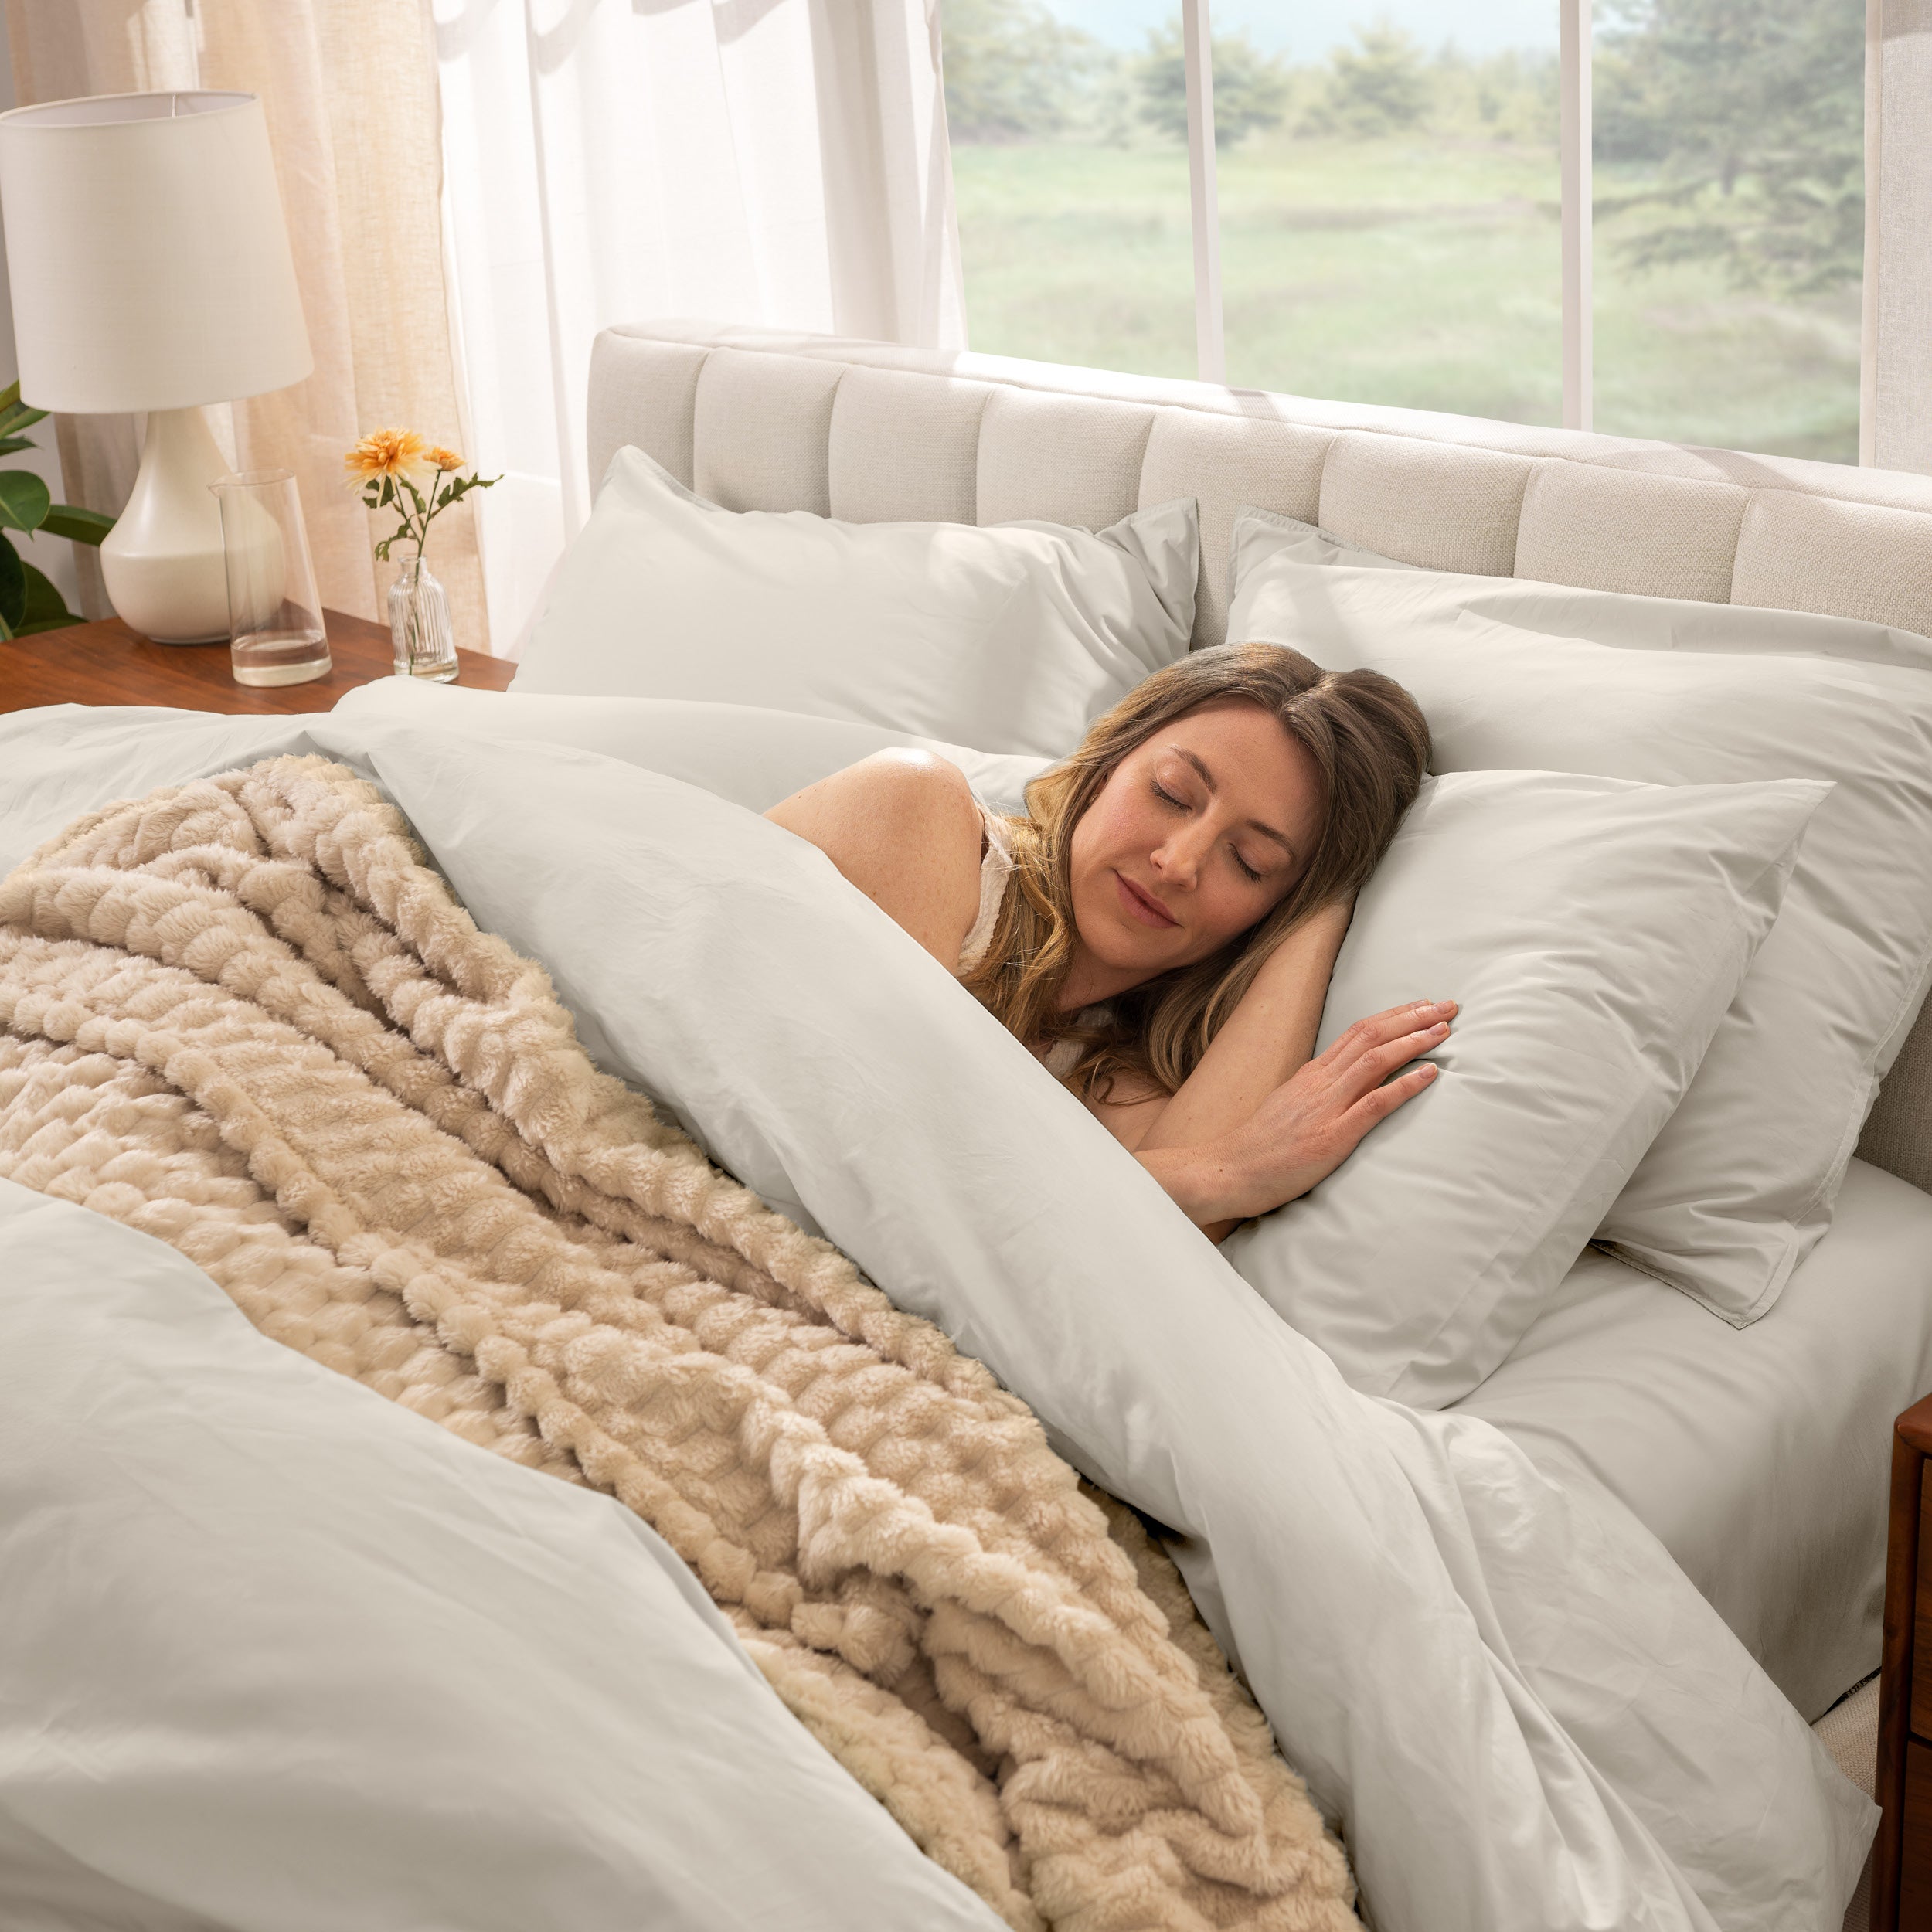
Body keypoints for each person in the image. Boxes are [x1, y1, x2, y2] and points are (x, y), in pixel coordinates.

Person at [767, 641, 1449, 1240]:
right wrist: (1223, 1171)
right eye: (1172, 794)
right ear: (1109, 761)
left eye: (1250, 863)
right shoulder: (914, 805)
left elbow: (1158, 1256)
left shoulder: (1116, 1075)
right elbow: (875, 1163)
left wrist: (1322, 904)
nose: (1179, 864)